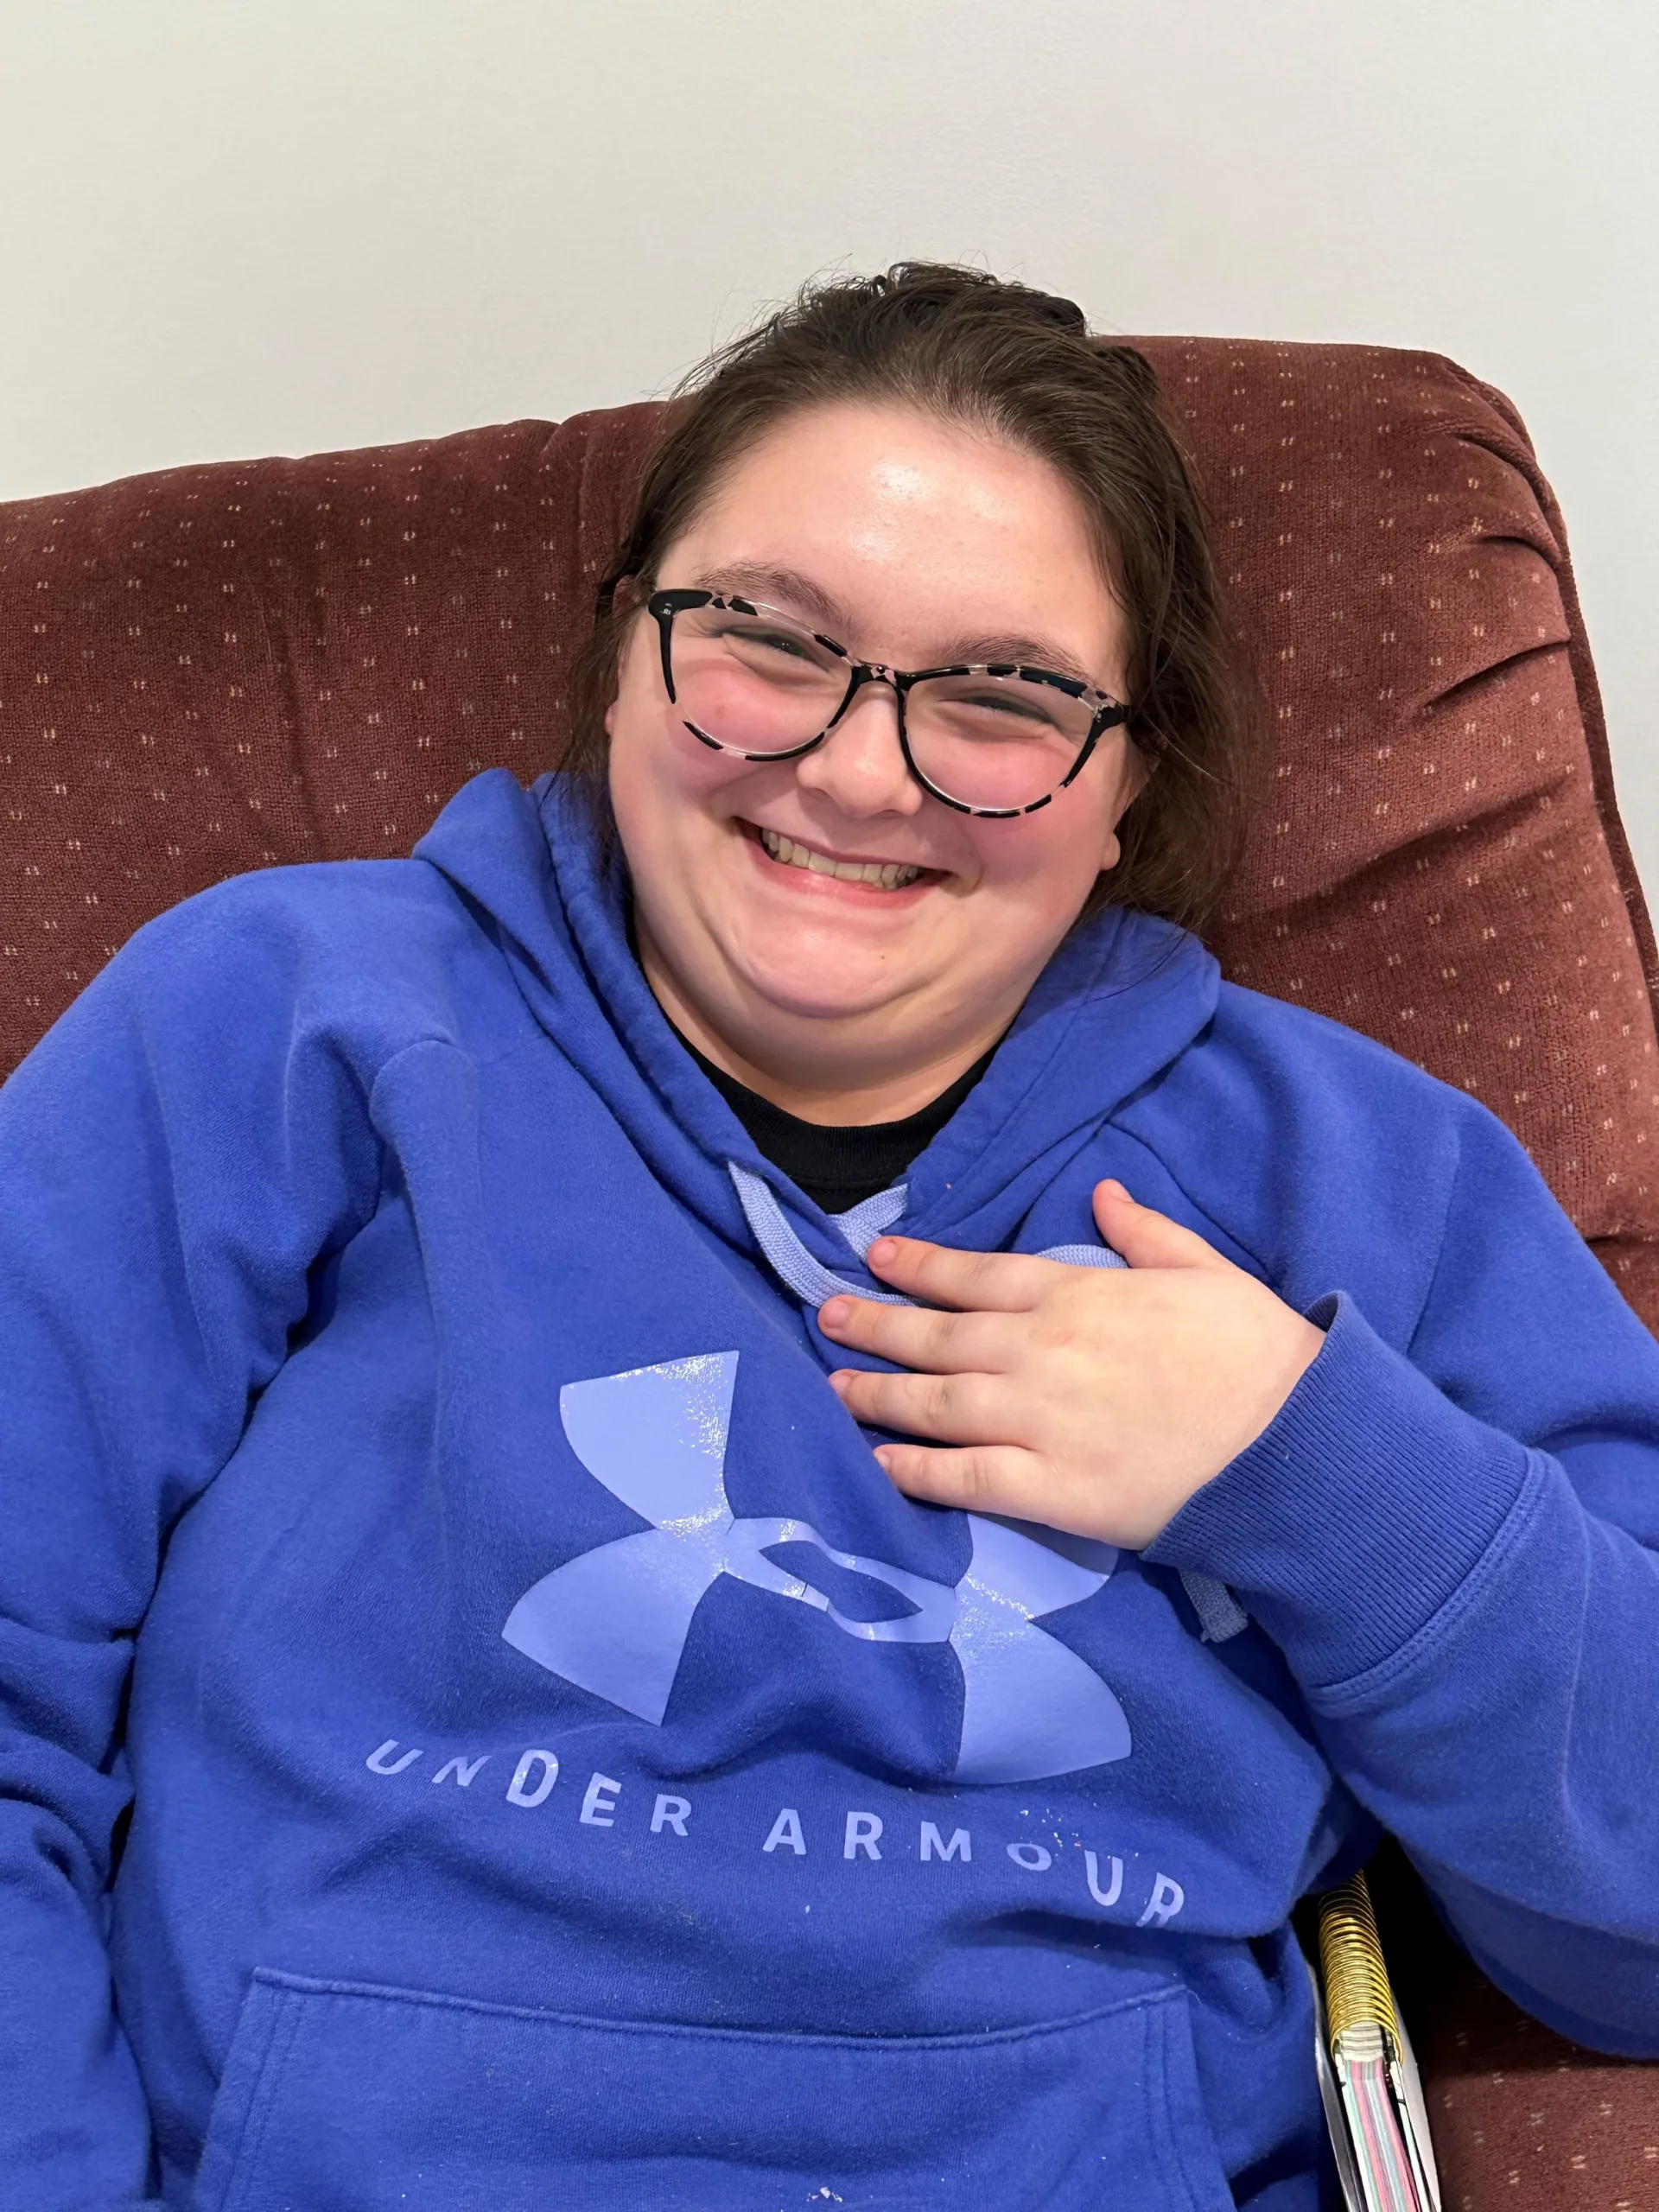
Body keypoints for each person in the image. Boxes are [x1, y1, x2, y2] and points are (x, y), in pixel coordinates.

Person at [1, 264, 1656, 2212]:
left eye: (1006, 694)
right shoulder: (278, 1020)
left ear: (1129, 778)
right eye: (769, 642)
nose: (860, 768)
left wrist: (1320, 1464)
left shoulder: (1358, 1172)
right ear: (628, 651)